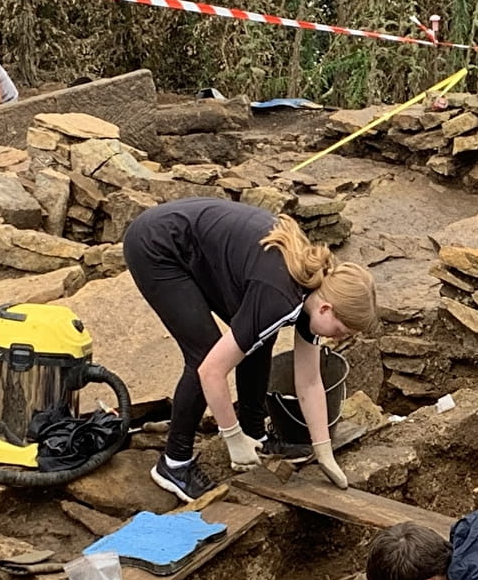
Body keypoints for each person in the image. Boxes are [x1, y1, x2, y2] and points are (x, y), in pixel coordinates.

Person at [123, 198, 379, 503]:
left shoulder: (314, 293)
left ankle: (255, 433)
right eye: (340, 330)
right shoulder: (279, 297)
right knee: (204, 355)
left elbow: (309, 382)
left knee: (260, 336)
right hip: (159, 245)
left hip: (211, 253)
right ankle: (174, 463)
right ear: (326, 308)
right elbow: (212, 371)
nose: (338, 338)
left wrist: (323, 450)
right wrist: (231, 438)